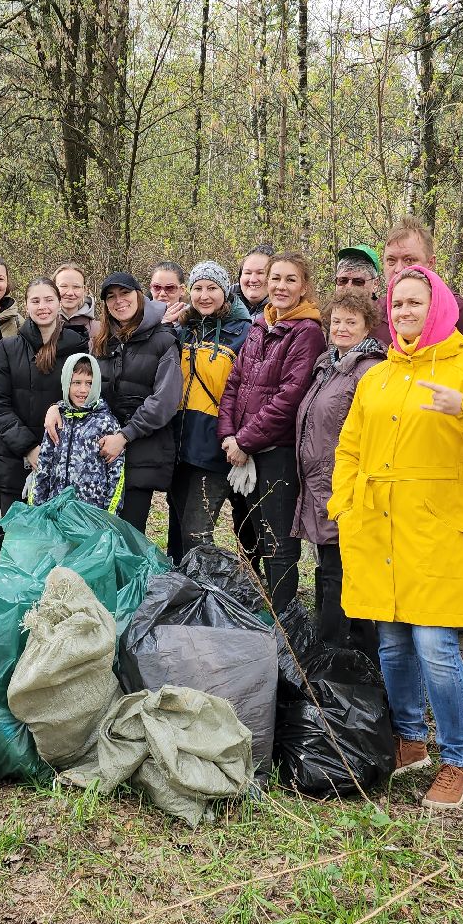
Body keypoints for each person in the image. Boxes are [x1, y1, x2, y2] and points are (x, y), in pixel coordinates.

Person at [332, 265, 463, 809]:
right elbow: (349, 447)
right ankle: (410, 739)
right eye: (397, 305)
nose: (405, 313)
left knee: (436, 647)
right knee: (392, 644)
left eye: (415, 303)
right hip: (378, 529)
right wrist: (344, 502)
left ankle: (458, 762)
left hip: (435, 530)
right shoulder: (377, 376)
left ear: (437, 306)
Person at [217, 251, 324, 608]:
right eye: (275, 278)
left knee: (278, 543)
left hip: (275, 451)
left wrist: (244, 440)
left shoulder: (307, 332)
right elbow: (235, 382)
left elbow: (290, 397)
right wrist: (229, 436)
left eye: (290, 280)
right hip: (244, 449)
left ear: (304, 287)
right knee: (252, 534)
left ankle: (284, 625)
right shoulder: (261, 325)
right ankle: (257, 611)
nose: (280, 286)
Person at [48, 273, 180, 532]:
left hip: (140, 452)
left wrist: (125, 435)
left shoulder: (164, 340)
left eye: (125, 294)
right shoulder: (100, 342)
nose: (119, 301)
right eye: (111, 297)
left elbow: (165, 400)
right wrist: (57, 407)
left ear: (139, 296)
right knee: (95, 536)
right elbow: (82, 386)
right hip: (99, 455)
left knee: (127, 535)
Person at [293, 289, 385, 646]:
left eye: (351, 322)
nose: (342, 328)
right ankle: (356, 650)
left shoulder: (370, 371)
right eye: (336, 321)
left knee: (338, 572)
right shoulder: (327, 365)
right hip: (318, 484)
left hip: (345, 485)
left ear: (367, 328)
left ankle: (332, 654)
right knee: (332, 569)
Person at [165, 262, 251, 563]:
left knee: (196, 532)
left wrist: (242, 440)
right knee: (177, 530)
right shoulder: (182, 329)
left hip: (215, 446)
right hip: (179, 443)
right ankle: (180, 595)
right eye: (198, 288)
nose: (204, 295)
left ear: (225, 292)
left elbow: (247, 391)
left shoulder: (243, 333)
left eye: (212, 288)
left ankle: (208, 596)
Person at [0, 279, 90, 515]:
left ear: (59, 303)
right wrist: (29, 448)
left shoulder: (78, 348)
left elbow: (87, 399)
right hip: (14, 461)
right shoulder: (8, 348)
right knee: (16, 541)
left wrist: (59, 407)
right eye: (35, 301)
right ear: (26, 306)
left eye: (49, 300)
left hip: (65, 461)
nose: (43, 306)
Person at [28, 354, 125, 511]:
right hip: (56, 511)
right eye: (76, 383)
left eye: (89, 384)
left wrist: (109, 516)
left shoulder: (107, 422)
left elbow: (116, 474)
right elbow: (43, 467)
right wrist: (34, 509)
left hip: (91, 516)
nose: (83, 390)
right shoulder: (57, 420)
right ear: (66, 383)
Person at [382, 216, 463, 354]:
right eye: (391, 260)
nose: (399, 269)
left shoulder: (461, 315)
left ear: (430, 263)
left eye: (409, 260)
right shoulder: (373, 314)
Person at [335, 244, 390, 345]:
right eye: (343, 280)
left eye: (358, 282)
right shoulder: (328, 319)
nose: (349, 287)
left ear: (375, 284)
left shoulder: (389, 320)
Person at [54, 263, 95, 333]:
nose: (70, 293)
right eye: (64, 286)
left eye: (76, 287)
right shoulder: (41, 326)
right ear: (53, 288)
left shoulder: (100, 330)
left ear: (84, 290)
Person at [236, 248, 273, 317]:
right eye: (248, 273)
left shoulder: (283, 317)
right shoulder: (221, 310)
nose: (253, 280)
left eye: (260, 273)